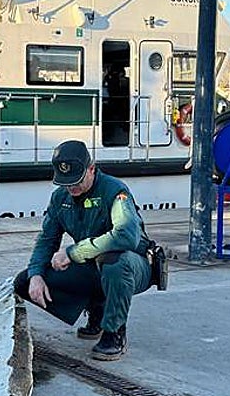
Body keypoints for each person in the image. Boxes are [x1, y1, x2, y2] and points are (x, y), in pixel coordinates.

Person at [14, 140, 154, 360]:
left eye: (77, 181)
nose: (72, 188)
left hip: (132, 265)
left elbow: (126, 236)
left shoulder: (115, 191)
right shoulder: (61, 198)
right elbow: (47, 239)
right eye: (66, 183)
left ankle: (114, 331)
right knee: (23, 282)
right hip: (94, 265)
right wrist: (36, 275)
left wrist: (73, 253)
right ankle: (97, 309)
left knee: (115, 263)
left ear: (91, 168)